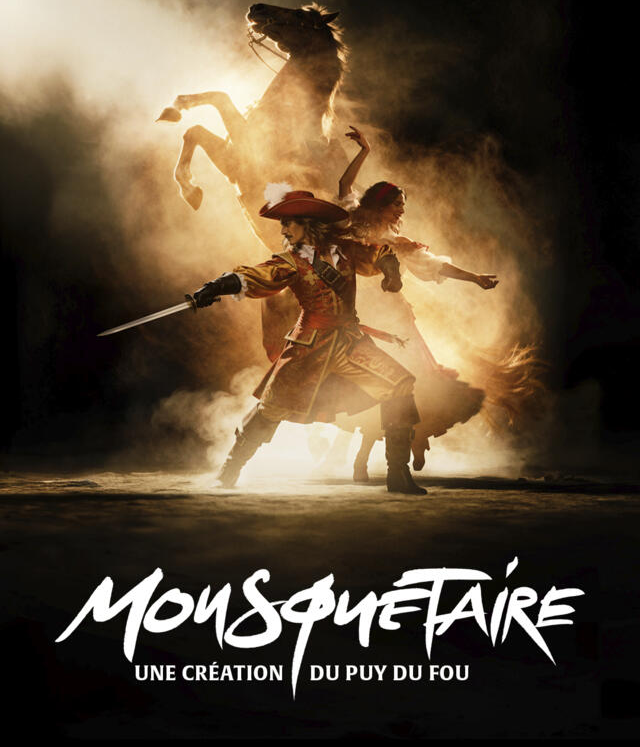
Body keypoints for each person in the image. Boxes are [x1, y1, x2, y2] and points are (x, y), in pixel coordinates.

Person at [192, 184, 427, 495]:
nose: (284, 230)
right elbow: (254, 276)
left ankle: (398, 474)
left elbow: (379, 252)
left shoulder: (346, 250)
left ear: (308, 224)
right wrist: (216, 287)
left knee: (399, 384)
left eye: (288, 223)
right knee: (271, 409)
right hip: (308, 347)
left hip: (349, 342)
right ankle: (230, 470)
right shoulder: (289, 262)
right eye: (283, 224)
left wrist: (390, 270)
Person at [335, 127, 499, 480]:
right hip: (361, 315)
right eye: (397, 204)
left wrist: (475, 278)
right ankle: (367, 459)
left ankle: (404, 450)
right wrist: (365, 151)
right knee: (370, 387)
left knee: (405, 386)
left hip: (395, 321)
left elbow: (436, 266)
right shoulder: (353, 221)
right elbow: (345, 185)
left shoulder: (399, 242)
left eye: (403, 206)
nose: (401, 211)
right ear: (381, 205)